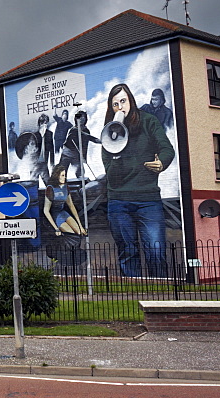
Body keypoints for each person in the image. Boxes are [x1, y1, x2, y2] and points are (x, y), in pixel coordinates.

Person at [101, 83, 175, 278]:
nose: (120, 107)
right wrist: (116, 149)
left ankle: (161, 297)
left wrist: (162, 163)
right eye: (115, 104)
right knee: (128, 252)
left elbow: (167, 148)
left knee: (156, 252)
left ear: (131, 101)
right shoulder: (109, 132)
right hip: (118, 202)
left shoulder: (148, 121)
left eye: (123, 101)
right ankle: (133, 297)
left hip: (148, 200)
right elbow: (111, 175)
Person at [43, 164, 86, 236]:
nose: (64, 177)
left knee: (78, 232)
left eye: (65, 175)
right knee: (71, 234)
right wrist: (56, 228)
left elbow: (71, 205)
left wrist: (80, 226)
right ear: (57, 176)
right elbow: (46, 211)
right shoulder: (50, 189)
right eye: (62, 175)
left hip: (63, 213)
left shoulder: (66, 187)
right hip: (55, 216)